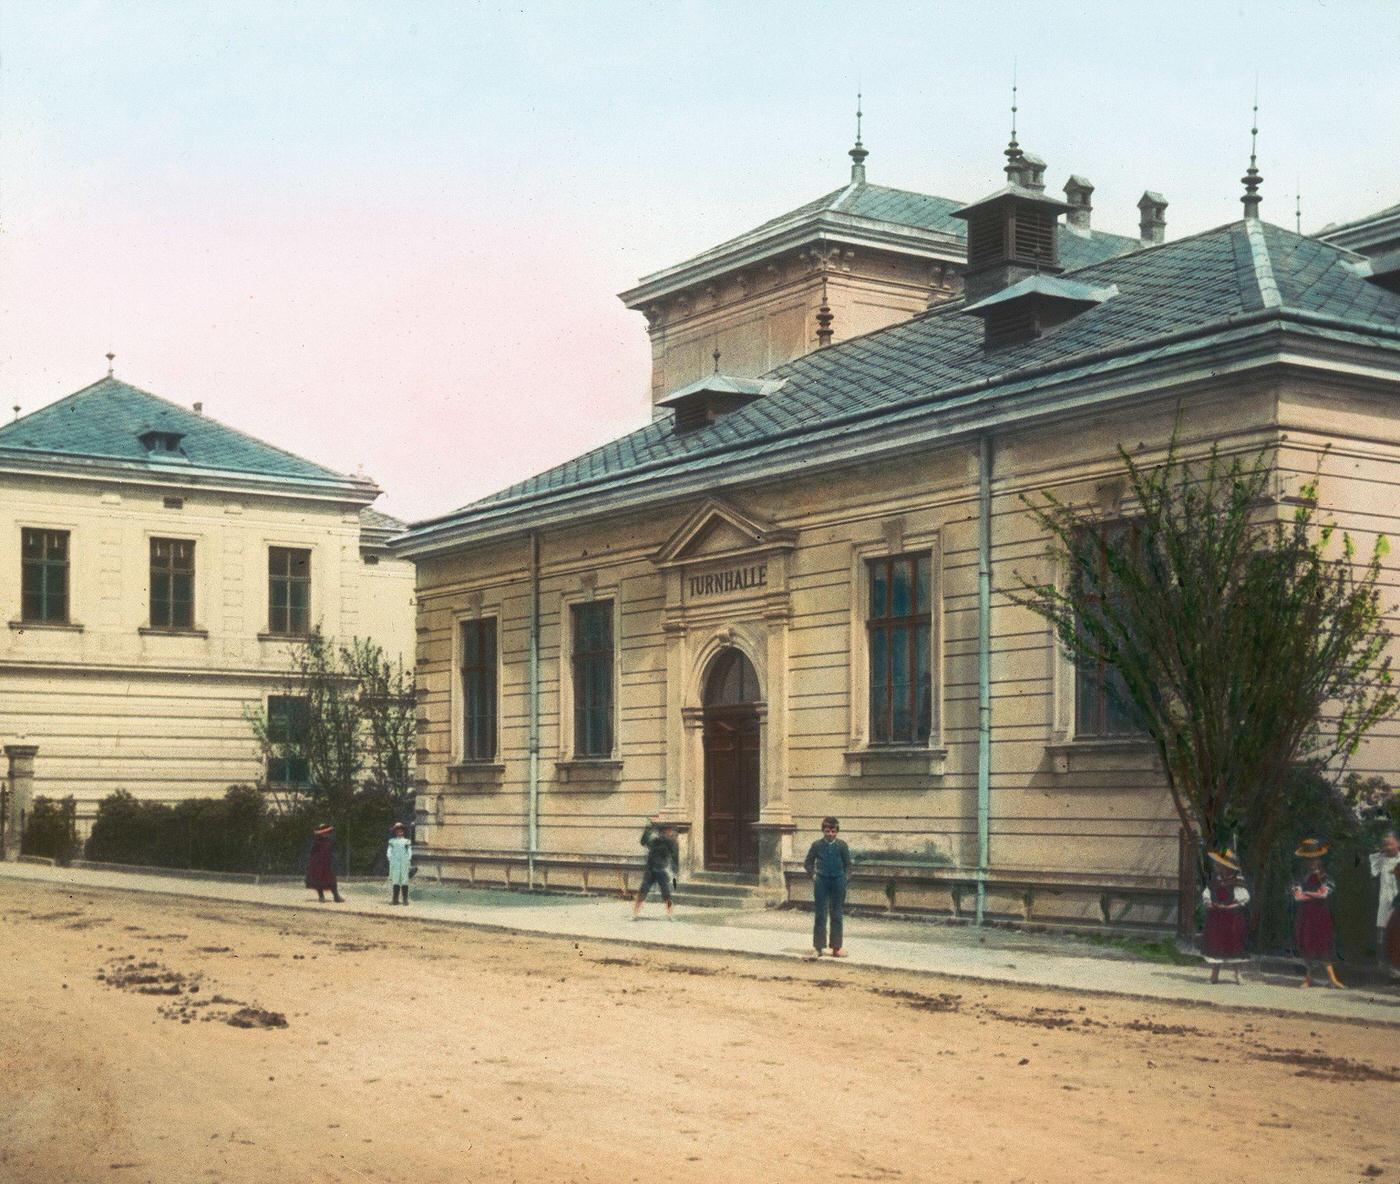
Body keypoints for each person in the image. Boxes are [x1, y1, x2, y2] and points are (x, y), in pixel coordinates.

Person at [1291, 838, 1342, 988]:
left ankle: (1332, 979)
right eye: (1308, 859)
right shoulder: (1301, 876)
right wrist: (1312, 893)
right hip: (1306, 914)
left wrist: (1307, 894)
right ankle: (1308, 978)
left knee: (1324, 943)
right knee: (1308, 944)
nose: (1311, 862)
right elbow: (1297, 897)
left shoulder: (1325, 876)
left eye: (1314, 859)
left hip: (1321, 914)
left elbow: (1324, 895)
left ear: (1320, 859)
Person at [804, 816, 852, 959]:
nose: (830, 834)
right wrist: (813, 875)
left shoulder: (842, 846)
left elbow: (848, 865)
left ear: (837, 831)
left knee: (837, 914)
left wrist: (845, 878)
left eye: (833, 831)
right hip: (821, 882)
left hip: (838, 881)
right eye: (827, 831)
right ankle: (818, 948)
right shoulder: (817, 845)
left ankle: (836, 948)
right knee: (820, 914)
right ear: (823, 831)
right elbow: (808, 863)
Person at [1200, 848, 1250, 984]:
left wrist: (1228, 907)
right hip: (1216, 918)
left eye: (1221, 866)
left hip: (1232, 918)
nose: (1219, 868)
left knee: (1233, 944)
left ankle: (1238, 974)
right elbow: (1207, 895)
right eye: (1218, 865)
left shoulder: (1237, 882)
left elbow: (1242, 901)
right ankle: (1214, 975)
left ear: (1229, 868)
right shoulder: (1214, 882)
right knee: (1216, 944)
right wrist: (1209, 903)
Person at [633, 816, 679, 919]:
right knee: (643, 892)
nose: (670, 832)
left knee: (666, 893)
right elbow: (643, 841)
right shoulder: (656, 840)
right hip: (652, 869)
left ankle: (670, 914)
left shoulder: (665, 841)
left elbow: (674, 855)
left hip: (660, 870)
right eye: (668, 831)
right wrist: (648, 828)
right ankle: (635, 914)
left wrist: (650, 829)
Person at [1368, 830, 1399, 973]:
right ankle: (1384, 963)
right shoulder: (1380, 860)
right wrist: (1382, 852)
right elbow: (1373, 866)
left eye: (1390, 844)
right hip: (1385, 900)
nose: (1388, 847)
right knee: (1383, 931)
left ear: (1398, 844)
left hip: (1398, 900)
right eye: (1385, 844)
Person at [306, 824, 344, 904]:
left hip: (328, 863)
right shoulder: (317, 842)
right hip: (318, 864)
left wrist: (334, 858)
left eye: (327, 833)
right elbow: (312, 852)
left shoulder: (330, 842)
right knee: (319, 880)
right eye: (324, 833)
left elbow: (333, 851)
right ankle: (321, 896)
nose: (326, 834)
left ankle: (336, 896)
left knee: (332, 880)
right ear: (320, 834)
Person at [387, 821, 412, 906]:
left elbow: (409, 851)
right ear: (395, 832)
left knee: (404, 880)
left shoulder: (406, 841)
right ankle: (395, 899)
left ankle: (405, 899)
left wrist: (408, 859)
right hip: (395, 862)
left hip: (404, 861)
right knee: (396, 880)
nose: (399, 832)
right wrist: (390, 858)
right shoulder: (392, 841)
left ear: (403, 831)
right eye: (397, 830)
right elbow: (389, 851)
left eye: (401, 830)